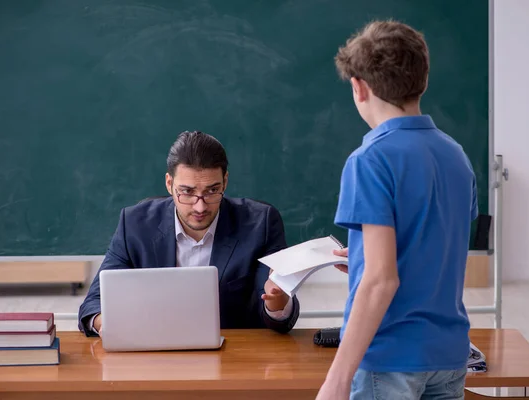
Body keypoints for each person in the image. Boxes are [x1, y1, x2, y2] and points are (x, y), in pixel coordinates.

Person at [316, 20, 478, 400]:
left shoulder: (370, 159)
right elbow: (433, 245)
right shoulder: (455, 155)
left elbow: (381, 281)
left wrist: (338, 377)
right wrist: (359, 257)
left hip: (391, 359)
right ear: (422, 79)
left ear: (359, 88)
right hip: (449, 354)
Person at [78, 131, 299, 336]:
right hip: (153, 357)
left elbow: (277, 318)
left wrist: (277, 301)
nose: (200, 207)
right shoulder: (135, 224)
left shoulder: (261, 223)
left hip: (235, 361)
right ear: (169, 184)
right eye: (187, 192)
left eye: (212, 191)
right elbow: (94, 303)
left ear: (225, 182)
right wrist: (109, 324)